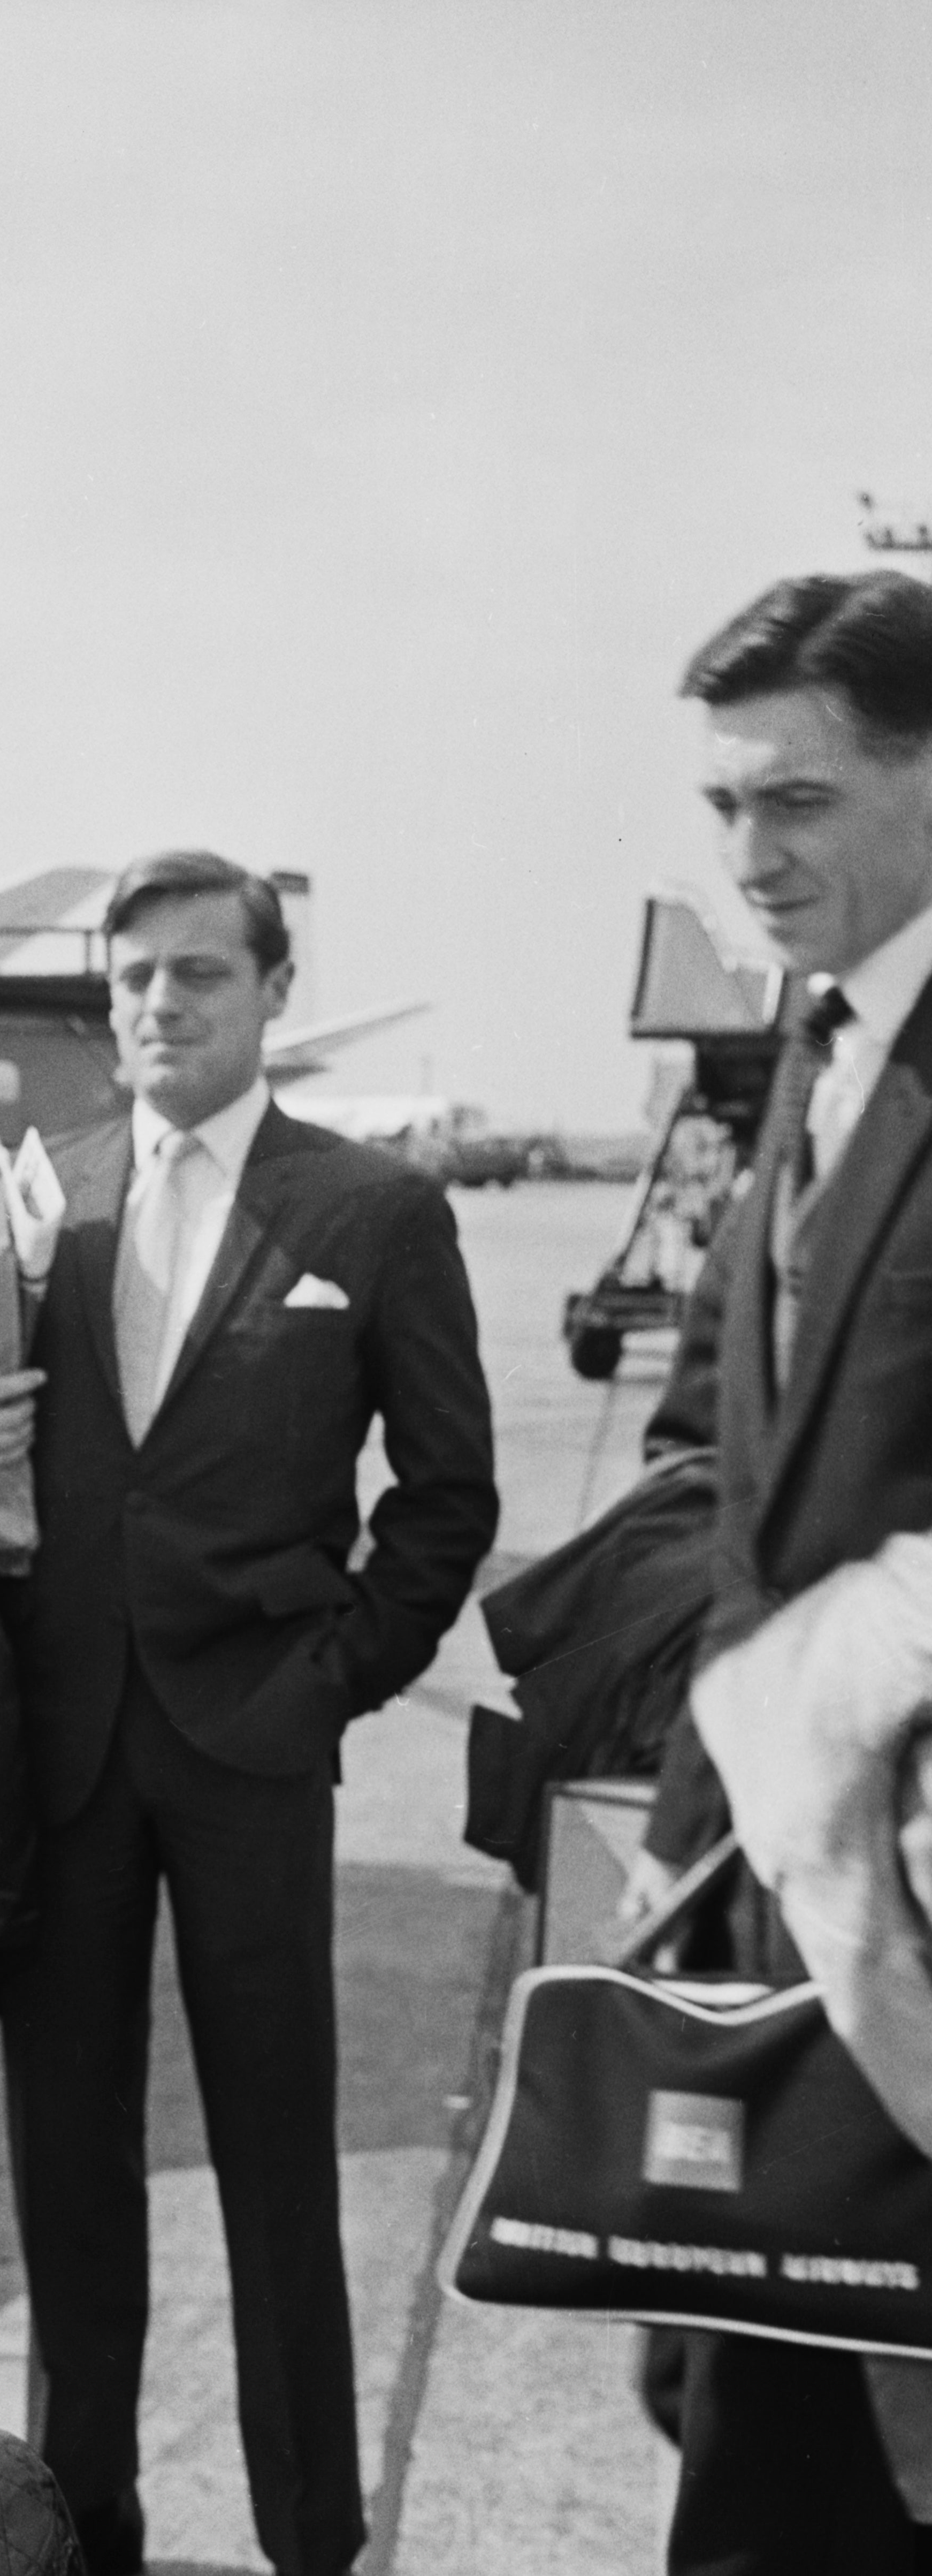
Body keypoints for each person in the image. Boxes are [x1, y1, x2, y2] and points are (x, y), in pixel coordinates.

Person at [0, 848, 498, 2576]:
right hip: (66, 1747)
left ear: (272, 991)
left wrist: (336, 1678)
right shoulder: (34, 1190)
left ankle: (311, 2534)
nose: (159, 1005)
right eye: (133, 979)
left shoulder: (369, 1210)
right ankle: (89, 2532)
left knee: (281, 2169)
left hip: (253, 1750)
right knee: (69, 2176)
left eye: (199, 975)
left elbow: (448, 1496)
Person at [627, 568, 932, 2574]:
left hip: (912, 1937)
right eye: (729, 807)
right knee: (746, 2442)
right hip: (774, 1926)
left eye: (800, 802)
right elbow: (749, 1518)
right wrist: (682, 1828)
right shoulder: (813, 1064)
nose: (752, 856)